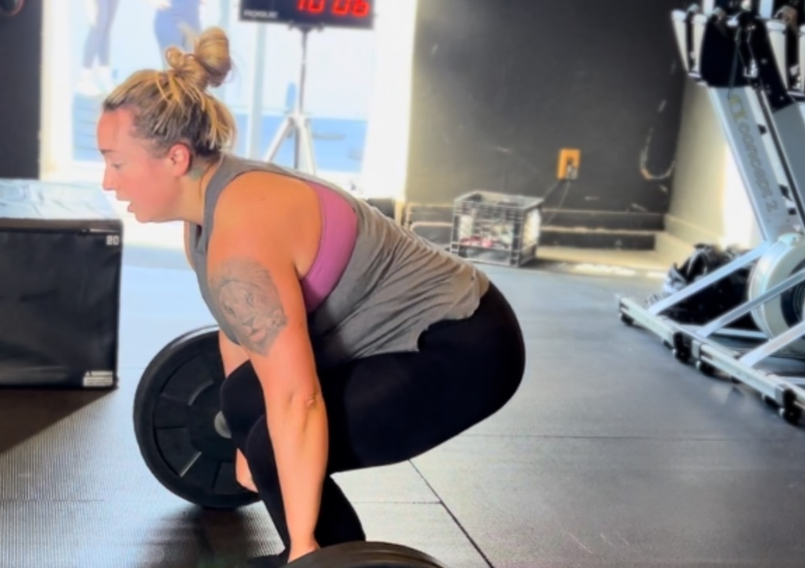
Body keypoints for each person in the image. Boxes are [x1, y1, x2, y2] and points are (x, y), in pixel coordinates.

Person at [96, 27, 526, 568]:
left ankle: (319, 552)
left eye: (117, 163)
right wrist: (238, 440)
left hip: (462, 345)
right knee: (248, 405)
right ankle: (315, 543)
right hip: (395, 332)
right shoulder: (204, 211)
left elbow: (298, 402)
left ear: (176, 158)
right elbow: (239, 327)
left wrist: (304, 552)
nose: (109, 182)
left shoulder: (241, 236)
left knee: (276, 438)